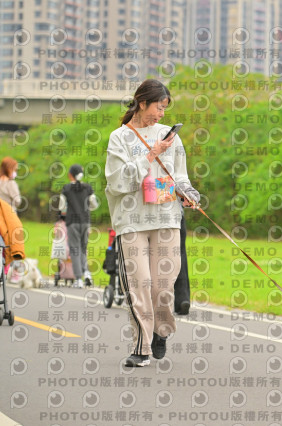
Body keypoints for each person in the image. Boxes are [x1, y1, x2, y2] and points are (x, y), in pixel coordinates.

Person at [105, 79, 200, 368]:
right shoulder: (119, 138)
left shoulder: (171, 137)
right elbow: (117, 181)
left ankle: (161, 330)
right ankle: (141, 348)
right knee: (139, 286)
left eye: (164, 109)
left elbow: (179, 176)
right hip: (132, 221)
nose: (161, 114)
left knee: (162, 287)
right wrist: (151, 154)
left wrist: (188, 193)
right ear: (142, 102)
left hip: (167, 218)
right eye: (158, 107)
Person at [60, 164, 98, 288]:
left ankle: (78, 279)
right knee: (83, 248)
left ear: (70, 175)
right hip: (85, 221)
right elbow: (94, 204)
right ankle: (87, 273)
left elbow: (61, 206)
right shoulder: (88, 187)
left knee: (75, 250)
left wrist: (65, 212)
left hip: (72, 222)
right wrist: (86, 209)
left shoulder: (66, 189)